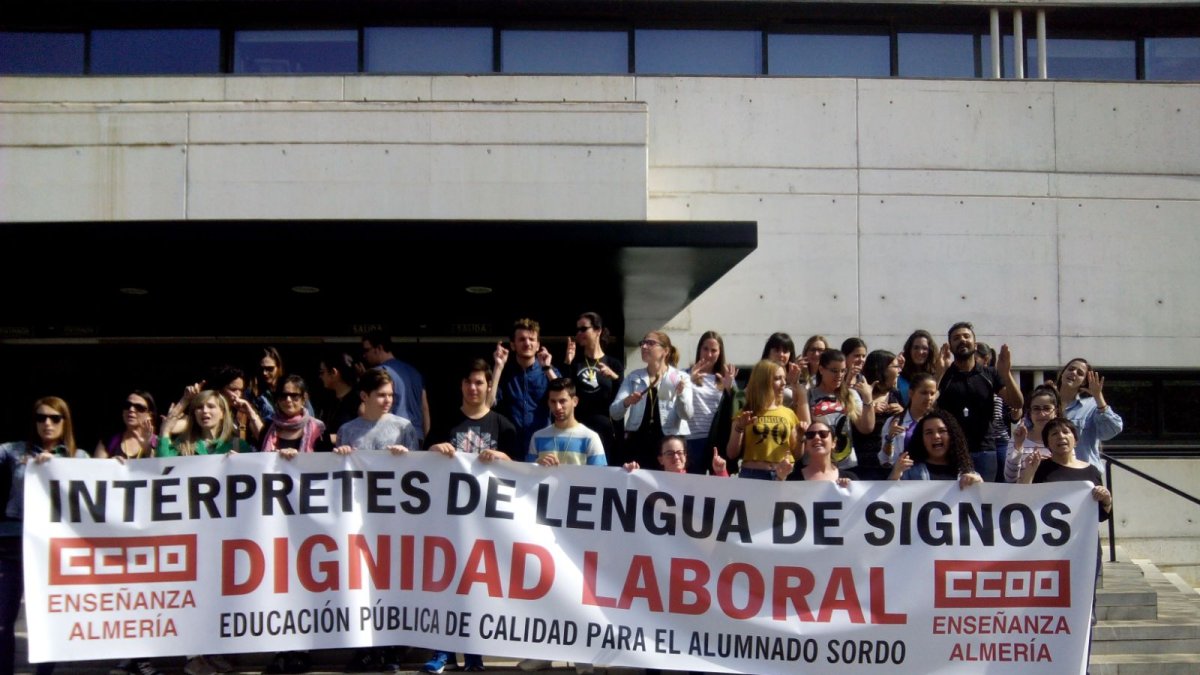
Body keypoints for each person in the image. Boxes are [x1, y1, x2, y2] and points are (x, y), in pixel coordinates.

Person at [0, 397, 86, 675]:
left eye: (54, 418)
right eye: (41, 418)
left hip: (52, 548)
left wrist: (59, 468)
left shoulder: (78, 457)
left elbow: (104, 485)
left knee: (45, 620)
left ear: (65, 422)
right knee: (3, 620)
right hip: (13, 542)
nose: (47, 423)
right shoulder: (14, 451)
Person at [935, 322, 1022, 483]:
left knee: (984, 501)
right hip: (952, 451)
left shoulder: (989, 374)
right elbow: (927, 405)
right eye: (956, 338)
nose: (962, 340)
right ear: (951, 347)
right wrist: (938, 374)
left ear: (975, 344)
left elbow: (1017, 402)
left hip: (985, 451)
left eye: (966, 336)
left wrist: (1006, 374)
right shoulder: (944, 376)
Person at [609, 330, 692, 468]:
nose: (644, 347)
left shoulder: (680, 378)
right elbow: (614, 413)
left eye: (650, 343)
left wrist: (681, 394)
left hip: (669, 445)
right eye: (643, 343)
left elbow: (687, 414)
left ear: (665, 351)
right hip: (638, 443)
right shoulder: (633, 377)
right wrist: (627, 401)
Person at [489, 318, 559, 458]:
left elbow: (566, 397)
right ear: (513, 345)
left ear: (538, 345)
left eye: (531, 339)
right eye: (521, 339)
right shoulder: (504, 373)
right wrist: (498, 367)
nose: (527, 343)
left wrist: (547, 368)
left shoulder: (548, 371)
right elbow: (489, 404)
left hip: (543, 447)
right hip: (510, 448)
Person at [1018, 417, 1113, 521]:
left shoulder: (1092, 471)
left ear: (1076, 441)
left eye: (1066, 432)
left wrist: (1106, 500)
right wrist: (1029, 472)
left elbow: (1101, 516)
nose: (1061, 436)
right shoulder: (1038, 468)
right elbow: (1022, 502)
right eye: (1054, 434)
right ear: (1047, 443)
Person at [427, 359, 518, 462]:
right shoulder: (443, 423)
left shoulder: (503, 427)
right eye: (468, 382)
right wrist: (432, 451)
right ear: (461, 385)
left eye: (478, 383)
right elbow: (423, 462)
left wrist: (504, 458)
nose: (472, 388)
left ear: (489, 386)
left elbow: (517, 470)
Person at [562, 312, 623, 462]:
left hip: (605, 430)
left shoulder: (614, 364)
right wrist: (567, 363)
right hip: (579, 428)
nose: (579, 333)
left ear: (598, 330)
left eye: (584, 329)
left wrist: (614, 377)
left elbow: (622, 397)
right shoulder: (575, 363)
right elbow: (564, 392)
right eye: (577, 330)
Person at [727, 360, 797, 481]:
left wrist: (801, 436)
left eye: (784, 378)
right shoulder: (744, 414)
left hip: (783, 475)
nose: (784, 383)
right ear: (763, 382)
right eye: (777, 378)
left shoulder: (789, 413)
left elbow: (798, 453)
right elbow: (731, 453)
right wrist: (739, 428)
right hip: (752, 476)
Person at [807, 349, 875, 471]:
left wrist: (868, 399)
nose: (839, 375)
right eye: (834, 371)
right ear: (821, 369)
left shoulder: (850, 395)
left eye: (843, 371)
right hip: (816, 463)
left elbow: (866, 428)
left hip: (846, 463)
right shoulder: (809, 395)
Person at [888, 409, 983, 490]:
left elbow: (984, 504)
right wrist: (894, 476)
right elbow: (890, 500)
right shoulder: (909, 471)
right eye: (929, 432)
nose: (936, 436)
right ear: (921, 439)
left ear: (952, 435)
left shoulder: (966, 472)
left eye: (942, 431)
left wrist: (979, 485)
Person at [685, 331, 738, 475]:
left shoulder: (725, 378)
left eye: (714, 350)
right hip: (692, 439)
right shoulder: (686, 374)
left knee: (716, 487)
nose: (709, 354)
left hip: (716, 440)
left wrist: (730, 389)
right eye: (705, 349)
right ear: (699, 349)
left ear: (720, 353)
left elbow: (737, 408)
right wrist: (688, 380)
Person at [362, 331, 431, 442]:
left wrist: (364, 378)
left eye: (366, 350)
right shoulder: (415, 373)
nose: (364, 355)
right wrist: (427, 439)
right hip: (417, 436)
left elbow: (365, 409)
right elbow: (425, 408)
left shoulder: (379, 373)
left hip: (391, 437)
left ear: (379, 348)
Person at [1057, 358, 1124, 472]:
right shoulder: (1046, 404)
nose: (1073, 373)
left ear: (1084, 381)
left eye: (1080, 373)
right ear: (1063, 372)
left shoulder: (1092, 405)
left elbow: (1113, 429)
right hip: (1053, 473)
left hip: (1085, 473)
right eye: (1071, 369)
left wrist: (1098, 397)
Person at [334, 368, 418, 455]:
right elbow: (340, 465)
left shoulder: (404, 427)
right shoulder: (346, 430)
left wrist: (406, 454)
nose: (388, 400)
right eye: (381, 395)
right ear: (364, 396)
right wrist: (342, 453)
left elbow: (416, 464)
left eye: (390, 395)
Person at [528, 378, 606, 466]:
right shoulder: (537, 437)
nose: (557, 407)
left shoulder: (590, 438)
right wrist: (537, 465)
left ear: (575, 401)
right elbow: (528, 476)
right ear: (548, 403)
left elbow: (600, 476)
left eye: (562, 401)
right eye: (553, 402)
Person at [851, 350, 904, 480]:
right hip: (864, 465)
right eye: (895, 366)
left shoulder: (895, 394)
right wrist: (869, 409)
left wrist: (902, 411)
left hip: (889, 463)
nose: (899, 370)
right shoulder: (858, 393)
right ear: (882, 370)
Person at [158, 388, 249, 456]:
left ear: (222, 413)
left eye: (211, 406)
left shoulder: (238, 446)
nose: (205, 411)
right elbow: (162, 469)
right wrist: (164, 431)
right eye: (199, 407)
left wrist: (239, 464)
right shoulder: (183, 444)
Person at [879, 372, 938, 472]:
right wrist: (889, 439)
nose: (929, 398)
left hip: (933, 476)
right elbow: (885, 460)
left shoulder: (940, 421)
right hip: (904, 478)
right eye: (924, 393)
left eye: (932, 393)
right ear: (911, 393)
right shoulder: (895, 421)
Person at [261, 376, 329, 457]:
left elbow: (326, 461)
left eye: (294, 396)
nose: (288, 400)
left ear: (304, 398)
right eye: (283, 395)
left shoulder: (318, 428)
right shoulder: (268, 427)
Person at [1004, 385, 1060, 483]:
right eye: (1036, 409)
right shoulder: (1017, 439)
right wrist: (1018, 446)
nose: (1042, 414)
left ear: (1055, 411)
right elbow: (1010, 478)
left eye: (1047, 408)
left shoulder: (1063, 439)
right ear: (1030, 413)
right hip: (1025, 495)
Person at [94, 390, 158, 460]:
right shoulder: (108, 440)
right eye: (127, 405)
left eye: (139, 407)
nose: (131, 409)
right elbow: (96, 469)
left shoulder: (158, 443)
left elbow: (161, 468)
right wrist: (110, 463)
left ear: (150, 415)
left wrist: (147, 448)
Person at [208, 365, 265, 444]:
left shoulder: (245, 412)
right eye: (233, 389)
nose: (238, 394)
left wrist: (251, 413)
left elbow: (264, 440)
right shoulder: (206, 410)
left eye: (241, 390)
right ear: (219, 389)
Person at [622, 435, 728, 476]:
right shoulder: (651, 483)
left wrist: (721, 472)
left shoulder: (697, 484)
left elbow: (724, 498)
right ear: (660, 459)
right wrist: (629, 474)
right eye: (670, 453)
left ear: (685, 456)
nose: (676, 457)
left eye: (680, 453)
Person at [316, 349, 360, 444]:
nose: (320, 376)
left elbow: (360, 434)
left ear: (334, 372)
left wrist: (329, 438)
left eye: (322, 372)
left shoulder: (358, 403)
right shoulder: (328, 400)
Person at [796, 420, 854, 486]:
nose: (817, 437)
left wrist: (851, 489)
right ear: (806, 445)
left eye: (823, 434)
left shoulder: (851, 478)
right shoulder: (793, 479)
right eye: (810, 435)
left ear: (833, 443)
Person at [897, 329, 939, 404]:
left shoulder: (936, 373)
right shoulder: (900, 375)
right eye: (916, 348)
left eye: (924, 348)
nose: (920, 352)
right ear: (909, 350)